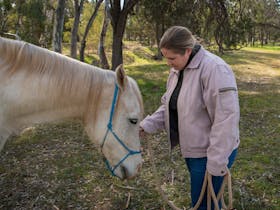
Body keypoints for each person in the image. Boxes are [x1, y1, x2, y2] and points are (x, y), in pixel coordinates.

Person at [139, 26, 240, 210]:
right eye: (165, 58)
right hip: (194, 151)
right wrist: (146, 125)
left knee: (203, 205)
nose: (168, 63)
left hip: (211, 153)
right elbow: (170, 106)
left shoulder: (215, 70)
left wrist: (216, 162)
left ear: (187, 51)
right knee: (206, 202)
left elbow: (227, 120)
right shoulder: (178, 68)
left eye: (171, 58)